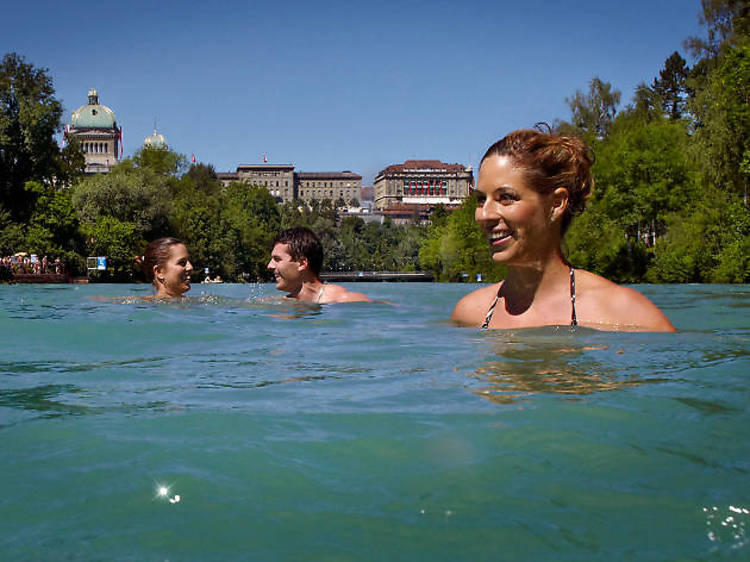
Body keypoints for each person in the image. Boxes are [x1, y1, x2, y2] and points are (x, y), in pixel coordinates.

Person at [451, 127, 675, 332]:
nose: (484, 215)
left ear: (556, 204)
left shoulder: (627, 315)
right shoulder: (469, 315)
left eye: (506, 197)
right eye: (481, 199)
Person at [267, 227, 371, 303]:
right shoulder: (283, 304)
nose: (269, 266)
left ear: (302, 263)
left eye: (277, 259)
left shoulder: (342, 300)